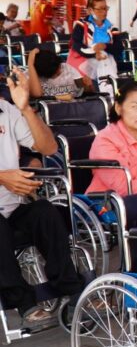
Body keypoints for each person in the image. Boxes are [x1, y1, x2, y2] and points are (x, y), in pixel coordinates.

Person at [0, 66, 86, 327]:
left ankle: (72, 290)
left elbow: (48, 147)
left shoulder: (6, 110)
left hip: (11, 207)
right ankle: (23, 302)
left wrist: (26, 108)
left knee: (45, 211)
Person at [68, 0, 121, 83]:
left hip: (107, 64)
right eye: (100, 9)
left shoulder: (111, 28)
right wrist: (93, 54)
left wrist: (105, 46)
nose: (104, 12)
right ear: (90, 10)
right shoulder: (81, 25)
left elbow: (119, 48)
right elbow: (76, 45)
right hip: (84, 65)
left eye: (105, 8)